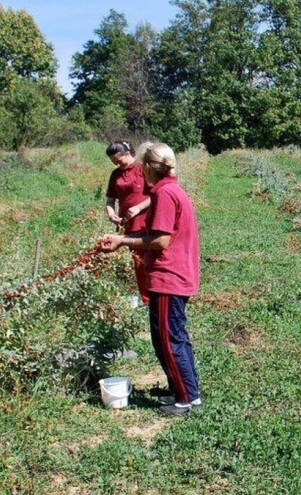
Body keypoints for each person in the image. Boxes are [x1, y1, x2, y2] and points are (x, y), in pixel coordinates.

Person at [100, 142, 202, 416]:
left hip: (169, 277)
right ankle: (183, 390)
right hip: (174, 275)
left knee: (169, 340)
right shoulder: (169, 190)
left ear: (146, 168)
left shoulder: (166, 195)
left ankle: (186, 400)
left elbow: (160, 240)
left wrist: (122, 241)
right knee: (173, 337)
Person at [105, 141, 152, 307]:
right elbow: (110, 200)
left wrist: (138, 207)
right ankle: (147, 301)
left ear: (128, 153)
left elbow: (157, 195)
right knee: (138, 261)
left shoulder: (143, 169)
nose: (118, 164)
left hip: (147, 222)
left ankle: (156, 298)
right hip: (129, 225)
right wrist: (111, 214)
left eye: (119, 160)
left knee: (151, 259)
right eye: (114, 162)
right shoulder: (115, 175)